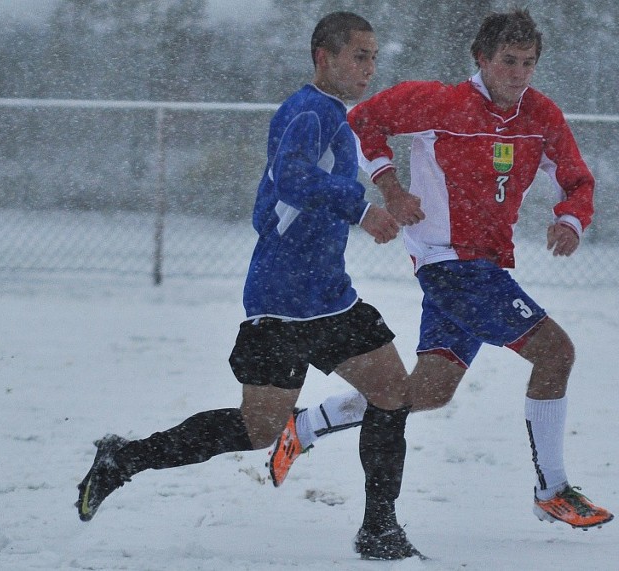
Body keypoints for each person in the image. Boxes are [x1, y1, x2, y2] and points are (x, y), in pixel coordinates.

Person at [75, 12, 424, 561]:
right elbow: (289, 177)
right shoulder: (307, 109)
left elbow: (284, 195)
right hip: (282, 302)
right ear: (323, 57)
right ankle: (125, 458)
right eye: (359, 55)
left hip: (329, 295)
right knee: (259, 428)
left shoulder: (336, 115)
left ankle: (379, 530)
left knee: (392, 391)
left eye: (374, 56)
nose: (369, 67)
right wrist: (361, 209)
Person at [267, 8, 614, 531]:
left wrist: (569, 219)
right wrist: (391, 187)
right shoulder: (439, 101)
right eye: (508, 61)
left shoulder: (541, 116)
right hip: (450, 266)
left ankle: (307, 425)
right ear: (482, 59)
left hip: (484, 265)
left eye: (528, 63)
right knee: (556, 353)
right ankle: (553, 490)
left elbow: (577, 180)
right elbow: (361, 124)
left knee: (423, 393)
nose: (518, 73)